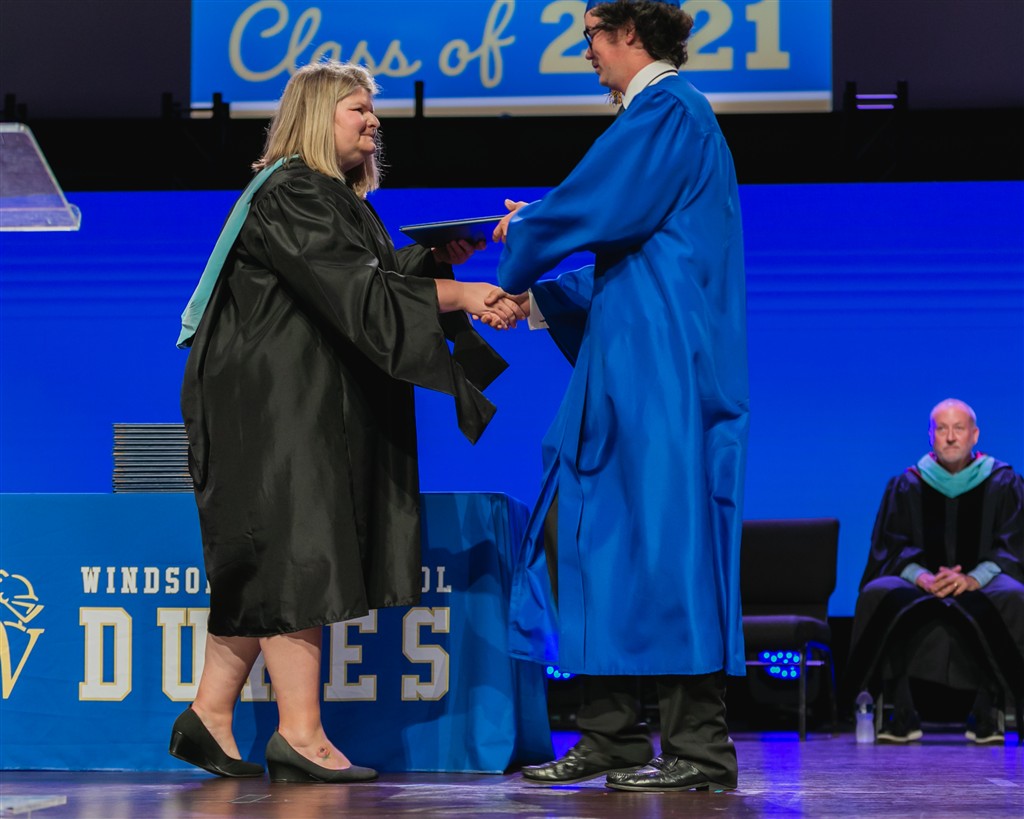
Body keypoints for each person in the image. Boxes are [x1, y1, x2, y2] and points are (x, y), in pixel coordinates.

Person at [171, 60, 523, 783]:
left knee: (265, 560)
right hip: (273, 405)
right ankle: (301, 734)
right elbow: (356, 292)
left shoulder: (324, 195)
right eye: (358, 108)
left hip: (289, 398)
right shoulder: (294, 191)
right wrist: (460, 293)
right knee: (294, 555)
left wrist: (434, 260)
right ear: (317, 115)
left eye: (372, 110)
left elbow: (366, 275)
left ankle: (208, 714)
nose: (373, 120)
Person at [491, 0, 749, 793]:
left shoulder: (669, 110)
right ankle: (610, 735)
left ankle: (700, 747)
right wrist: (535, 300)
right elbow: (630, 259)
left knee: (669, 550)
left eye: (592, 39)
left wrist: (528, 231)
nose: (588, 55)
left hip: (664, 377)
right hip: (628, 369)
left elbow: (592, 203)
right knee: (594, 542)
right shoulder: (669, 120)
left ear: (629, 34)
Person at [847, 399, 1024, 744]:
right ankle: (900, 712)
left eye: (959, 428)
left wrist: (973, 578)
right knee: (878, 594)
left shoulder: (1003, 481)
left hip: (984, 580)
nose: (951, 437)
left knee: (1013, 596)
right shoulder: (907, 483)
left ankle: (988, 711)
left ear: (975, 435)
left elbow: (1013, 543)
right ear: (931, 436)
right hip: (921, 581)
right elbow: (891, 545)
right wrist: (921, 577)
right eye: (941, 429)